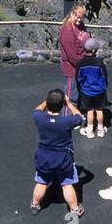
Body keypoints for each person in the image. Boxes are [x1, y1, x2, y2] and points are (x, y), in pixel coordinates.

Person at [31, 89, 86, 217]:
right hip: (63, 159)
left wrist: (48, 101)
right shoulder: (66, 121)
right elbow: (79, 117)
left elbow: (37, 109)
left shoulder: (39, 118)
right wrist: (68, 104)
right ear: (62, 105)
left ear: (48, 103)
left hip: (44, 157)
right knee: (67, 184)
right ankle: (74, 210)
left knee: (42, 182)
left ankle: (35, 205)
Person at [75, 38, 110, 137]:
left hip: (86, 91)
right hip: (99, 90)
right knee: (99, 110)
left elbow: (79, 78)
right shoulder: (99, 62)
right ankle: (100, 130)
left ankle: (90, 130)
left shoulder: (80, 63)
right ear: (94, 50)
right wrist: (104, 85)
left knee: (89, 111)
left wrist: (82, 88)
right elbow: (104, 75)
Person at [58, 2, 89, 104]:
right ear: (72, 13)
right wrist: (84, 64)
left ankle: (77, 116)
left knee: (80, 94)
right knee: (71, 97)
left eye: (81, 18)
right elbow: (72, 55)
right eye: (77, 17)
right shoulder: (67, 30)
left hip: (81, 66)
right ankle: (68, 118)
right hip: (72, 69)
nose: (79, 20)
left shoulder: (80, 25)